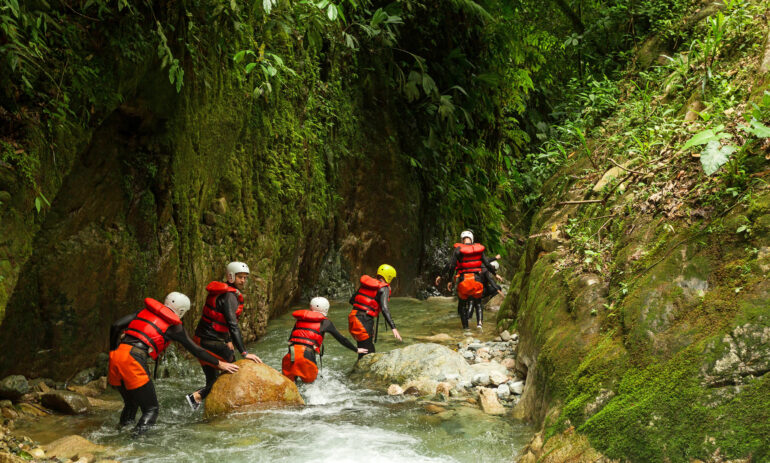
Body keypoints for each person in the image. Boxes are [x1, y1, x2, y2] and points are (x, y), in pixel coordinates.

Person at [108, 292, 239, 435]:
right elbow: (197, 350)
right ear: (181, 311)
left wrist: (112, 350)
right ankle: (134, 446)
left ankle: (119, 436)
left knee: (131, 403)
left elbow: (115, 326)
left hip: (116, 356)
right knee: (151, 409)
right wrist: (220, 363)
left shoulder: (143, 312)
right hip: (133, 359)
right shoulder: (174, 327)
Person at [185, 262, 261, 411]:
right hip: (209, 341)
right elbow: (233, 325)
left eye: (245, 278)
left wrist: (227, 340)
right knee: (233, 370)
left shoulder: (222, 293)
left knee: (212, 379)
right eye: (240, 277)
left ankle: (205, 404)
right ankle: (196, 396)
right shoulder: (229, 297)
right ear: (231, 276)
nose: (243, 281)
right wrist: (244, 352)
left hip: (201, 340)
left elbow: (219, 320)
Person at [282, 297, 367, 383]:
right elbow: (341, 339)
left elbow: (290, 340)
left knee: (290, 385)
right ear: (326, 309)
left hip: (291, 355)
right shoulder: (325, 323)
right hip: (307, 356)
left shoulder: (300, 320)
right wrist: (355, 349)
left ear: (311, 307)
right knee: (310, 386)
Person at [435, 230, 500, 330]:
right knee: (478, 303)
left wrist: (446, 279)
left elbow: (451, 265)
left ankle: (466, 328)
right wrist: (495, 274)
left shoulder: (458, 250)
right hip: (477, 281)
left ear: (462, 240)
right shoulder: (479, 250)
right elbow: (487, 264)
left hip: (464, 281)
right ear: (472, 239)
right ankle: (479, 324)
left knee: (462, 306)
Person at [348, 264, 402, 358]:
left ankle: (360, 371)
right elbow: (385, 308)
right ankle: (361, 372)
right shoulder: (383, 288)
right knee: (368, 354)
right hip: (363, 321)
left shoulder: (366, 284)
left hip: (353, 318)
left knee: (365, 352)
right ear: (388, 277)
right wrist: (393, 328)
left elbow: (352, 300)